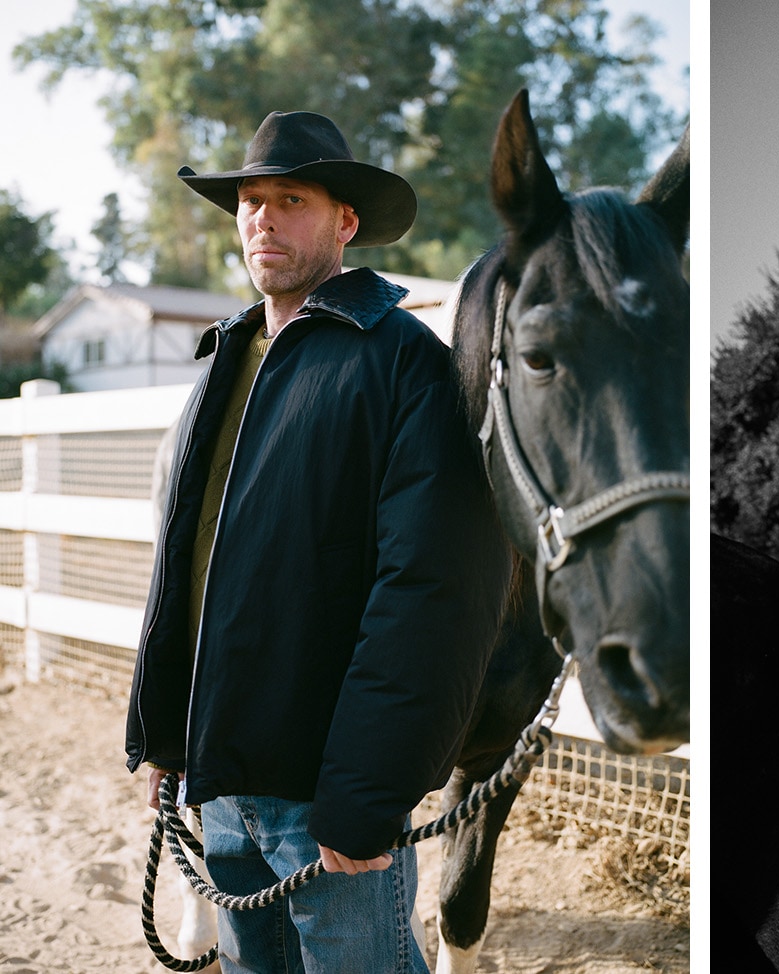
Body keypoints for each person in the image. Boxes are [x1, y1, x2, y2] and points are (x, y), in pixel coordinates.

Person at [125, 110, 508, 973]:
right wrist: (160, 732)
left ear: (345, 221)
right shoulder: (226, 358)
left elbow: (435, 595)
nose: (262, 216)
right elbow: (184, 568)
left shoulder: (405, 364)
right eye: (250, 200)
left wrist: (368, 796)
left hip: (327, 801)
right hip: (217, 787)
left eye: (290, 198)